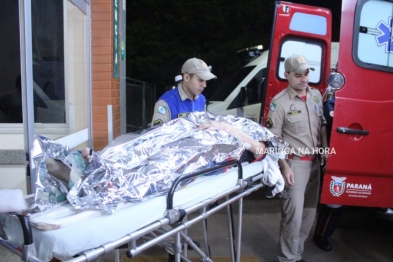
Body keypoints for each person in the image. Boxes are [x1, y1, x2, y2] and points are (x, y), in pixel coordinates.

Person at [266, 54, 328, 262]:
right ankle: (287, 258)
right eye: (298, 75)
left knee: (309, 214)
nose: (304, 78)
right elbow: (272, 139)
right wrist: (284, 166)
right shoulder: (280, 103)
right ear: (287, 75)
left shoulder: (316, 96)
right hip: (294, 165)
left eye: (307, 73)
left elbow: (323, 125)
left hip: (315, 164)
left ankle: (296, 254)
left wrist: (325, 150)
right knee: (293, 217)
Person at [312, 88, 343, 252]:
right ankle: (320, 235)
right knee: (334, 202)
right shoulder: (329, 106)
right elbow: (323, 130)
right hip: (332, 159)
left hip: (349, 158)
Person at [151, 57, 216, 126]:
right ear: (186, 77)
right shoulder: (165, 103)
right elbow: (157, 135)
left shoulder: (202, 99)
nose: (204, 85)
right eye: (200, 80)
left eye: (206, 81)